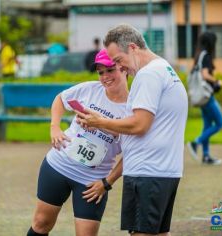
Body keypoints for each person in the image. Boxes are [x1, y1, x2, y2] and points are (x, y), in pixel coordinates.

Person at [76, 24, 188, 236]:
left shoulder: (148, 75)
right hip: (163, 171)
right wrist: (101, 120)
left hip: (147, 172)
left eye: (119, 61)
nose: (121, 68)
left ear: (133, 48)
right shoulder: (163, 68)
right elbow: (149, 127)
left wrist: (100, 123)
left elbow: (139, 125)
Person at [26, 48, 128, 236]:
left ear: (124, 68)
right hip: (58, 165)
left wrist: (107, 182)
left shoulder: (133, 108)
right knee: (41, 224)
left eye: (110, 70)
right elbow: (60, 99)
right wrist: (54, 127)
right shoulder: (89, 89)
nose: (105, 76)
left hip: (92, 183)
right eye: (100, 72)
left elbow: (133, 153)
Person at [187, 32, 222, 165]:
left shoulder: (199, 56)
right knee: (220, 124)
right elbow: (205, 74)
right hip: (207, 97)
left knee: (208, 125)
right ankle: (195, 143)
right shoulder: (206, 56)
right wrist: (217, 81)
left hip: (201, 97)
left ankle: (206, 156)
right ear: (211, 43)